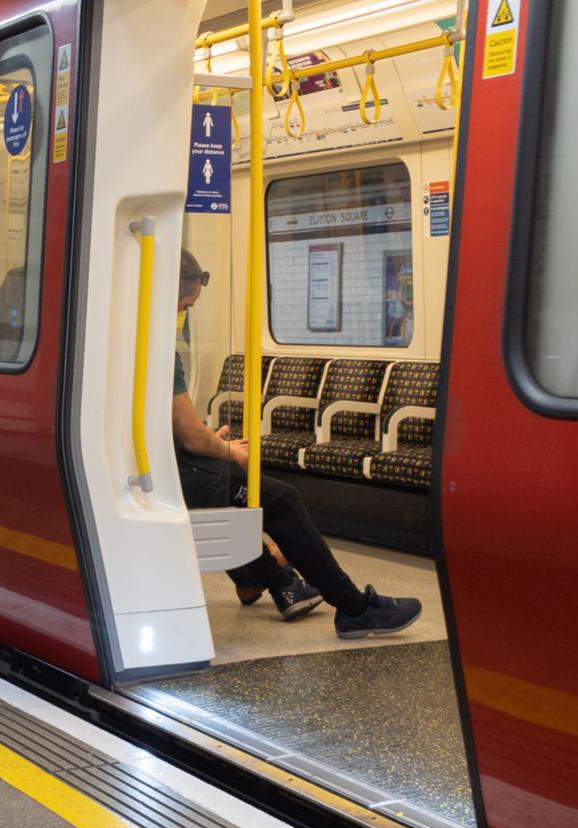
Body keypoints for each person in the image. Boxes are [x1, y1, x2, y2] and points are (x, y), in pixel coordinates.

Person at [170, 249, 422, 638]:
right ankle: (353, 608)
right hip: (176, 471)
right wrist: (228, 451)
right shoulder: (159, 353)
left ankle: (268, 579)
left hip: (164, 463)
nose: (183, 315)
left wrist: (209, 441)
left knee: (242, 489)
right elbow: (188, 433)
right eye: (184, 305)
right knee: (278, 498)